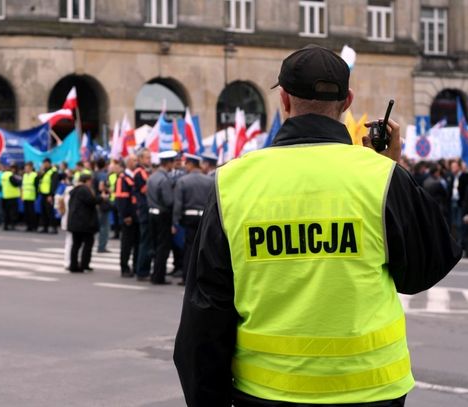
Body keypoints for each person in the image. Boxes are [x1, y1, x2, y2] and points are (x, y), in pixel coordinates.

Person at [174, 45, 462, 407]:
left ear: (284, 100)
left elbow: (204, 317)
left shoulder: (232, 182)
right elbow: (424, 270)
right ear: (347, 101)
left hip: (267, 393)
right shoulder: (382, 178)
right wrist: (393, 170)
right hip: (371, 393)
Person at [172, 153, 214, 286]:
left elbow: (178, 204)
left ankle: (186, 278)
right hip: (205, 217)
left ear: (190, 164)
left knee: (189, 248)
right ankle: (203, 278)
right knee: (204, 248)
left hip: (188, 218)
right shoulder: (209, 180)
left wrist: (175, 221)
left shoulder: (183, 180)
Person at [67, 173, 108, 272]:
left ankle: (74, 265)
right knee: (88, 243)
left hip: (75, 221)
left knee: (76, 244)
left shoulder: (75, 190)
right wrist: (102, 198)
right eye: (90, 181)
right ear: (87, 181)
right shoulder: (84, 189)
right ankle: (84, 264)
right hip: (84, 222)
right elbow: (91, 201)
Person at [147, 150, 177, 285]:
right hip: (162, 215)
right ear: (168, 163)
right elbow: (169, 201)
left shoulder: (152, 177)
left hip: (152, 213)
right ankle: (159, 276)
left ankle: (154, 274)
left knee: (154, 245)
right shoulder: (164, 179)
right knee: (163, 247)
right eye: (173, 162)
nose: (174, 165)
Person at [115, 155, 140, 278]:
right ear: (128, 162)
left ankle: (136, 267)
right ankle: (124, 267)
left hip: (137, 216)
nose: (136, 162)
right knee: (126, 244)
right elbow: (120, 198)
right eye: (134, 160)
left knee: (137, 243)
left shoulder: (137, 175)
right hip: (129, 216)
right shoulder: (122, 178)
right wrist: (125, 215)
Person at [134, 148, 153, 281]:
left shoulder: (145, 171)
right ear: (140, 159)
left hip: (145, 209)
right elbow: (146, 189)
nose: (149, 160)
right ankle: (142, 271)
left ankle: (142, 269)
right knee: (145, 242)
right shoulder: (140, 172)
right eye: (147, 158)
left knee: (146, 241)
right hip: (144, 210)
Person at [38, 158, 58, 234]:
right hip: (43, 193)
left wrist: (51, 194)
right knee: (44, 212)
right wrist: (41, 171)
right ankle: (45, 227)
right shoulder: (44, 171)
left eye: (45, 163)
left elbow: (54, 184)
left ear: (49, 163)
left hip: (49, 194)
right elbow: (39, 179)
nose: (44, 165)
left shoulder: (53, 171)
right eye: (43, 163)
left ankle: (54, 227)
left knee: (50, 212)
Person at [1, 164, 21, 231]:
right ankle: (12, 225)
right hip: (12, 196)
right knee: (13, 212)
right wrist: (20, 181)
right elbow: (15, 184)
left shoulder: (3, 175)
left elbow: (1, 186)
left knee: (6, 212)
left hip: (5, 196)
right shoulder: (10, 175)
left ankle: (6, 225)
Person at [21, 161, 39, 232]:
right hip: (25, 197)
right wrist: (22, 195)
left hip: (32, 197)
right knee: (27, 213)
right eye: (25, 168)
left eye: (27, 168)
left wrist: (36, 196)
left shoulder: (34, 175)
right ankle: (28, 226)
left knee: (32, 213)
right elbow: (23, 186)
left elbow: (36, 186)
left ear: (31, 168)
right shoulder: (24, 175)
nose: (26, 169)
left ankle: (34, 226)